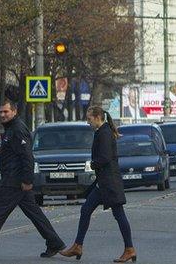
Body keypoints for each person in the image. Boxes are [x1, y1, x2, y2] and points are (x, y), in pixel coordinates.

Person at [0, 100, 64, 259]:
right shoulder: (11, 129)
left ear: (14, 112)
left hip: (15, 181)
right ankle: (55, 243)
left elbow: (27, 156)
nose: (3, 115)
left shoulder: (18, 129)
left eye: (6, 112)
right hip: (15, 179)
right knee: (34, 213)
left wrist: (27, 180)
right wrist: (3, 149)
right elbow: (15, 149)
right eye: (1, 112)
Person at [60, 106, 135, 263]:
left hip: (109, 183)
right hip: (105, 182)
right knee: (86, 209)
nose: (88, 122)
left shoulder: (105, 133)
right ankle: (78, 245)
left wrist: (93, 164)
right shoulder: (102, 132)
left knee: (118, 214)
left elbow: (105, 158)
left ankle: (129, 249)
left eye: (89, 119)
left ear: (98, 117)